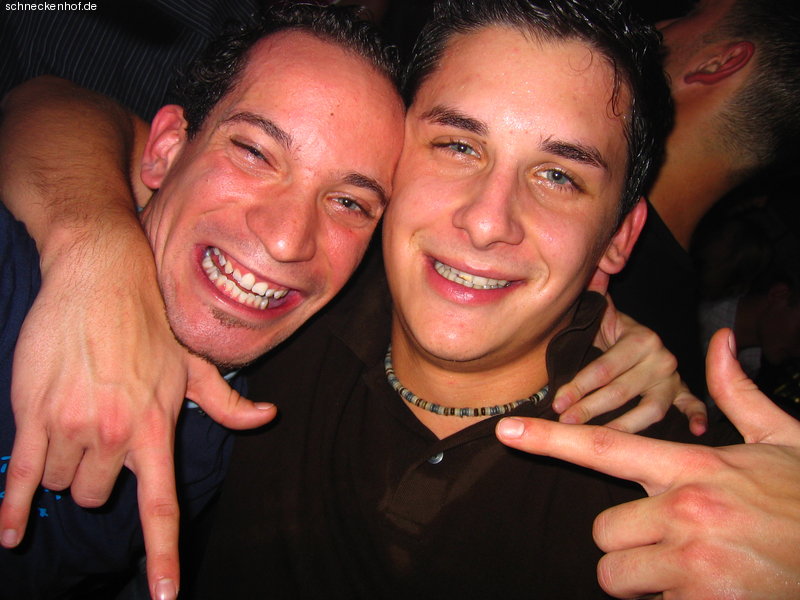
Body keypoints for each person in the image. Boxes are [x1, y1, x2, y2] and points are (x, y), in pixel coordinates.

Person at [183, 0, 743, 597]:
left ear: (618, 238)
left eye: (558, 176)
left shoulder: (684, 500)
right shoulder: (280, 296)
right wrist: (111, 245)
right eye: (458, 146)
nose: (486, 222)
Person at [0, 3, 406, 598]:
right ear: (165, 149)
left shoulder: (229, 435)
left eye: (349, 202)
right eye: (255, 153)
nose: (287, 239)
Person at [608, 0, 800, 395]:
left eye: (688, 15)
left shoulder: (583, 262)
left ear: (718, 63)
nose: (662, 23)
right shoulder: (672, 357)